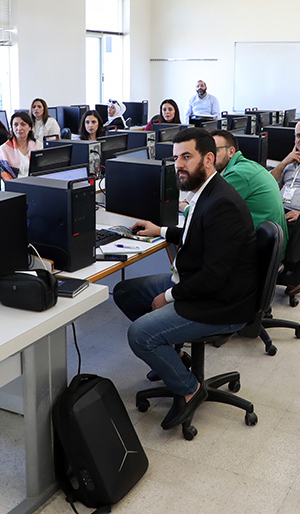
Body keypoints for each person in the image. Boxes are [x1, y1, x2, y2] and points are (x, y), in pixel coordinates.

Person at [112, 127, 257, 431]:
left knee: (140, 335)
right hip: (197, 282)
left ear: (208, 159)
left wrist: (167, 297)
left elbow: (214, 277)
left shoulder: (222, 203)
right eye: (176, 157)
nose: (178, 164)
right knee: (126, 291)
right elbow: (197, 235)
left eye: (186, 157)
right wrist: (161, 231)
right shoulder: (206, 192)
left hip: (220, 302)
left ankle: (190, 388)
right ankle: (174, 355)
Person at [211, 129, 289, 248]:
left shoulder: (237, 174)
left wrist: (185, 207)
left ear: (231, 152)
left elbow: (212, 211)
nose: (210, 157)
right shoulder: (247, 165)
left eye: (215, 151)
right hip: (271, 246)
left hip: (260, 250)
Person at [0, 112, 42, 180]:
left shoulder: (38, 146)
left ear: (30, 127)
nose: (19, 128)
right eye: (15, 125)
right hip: (13, 184)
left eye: (23, 124)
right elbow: (1, 173)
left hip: (36, 182)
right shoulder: (3, 149)